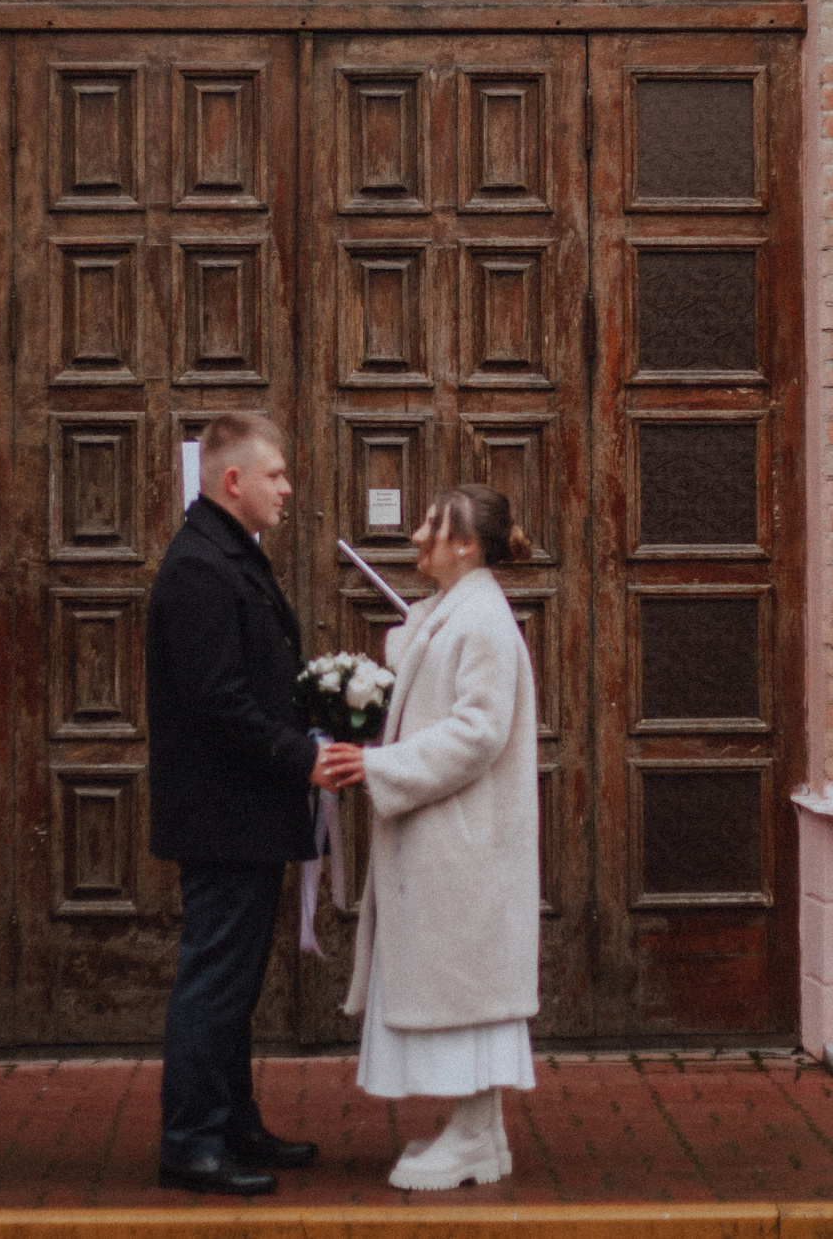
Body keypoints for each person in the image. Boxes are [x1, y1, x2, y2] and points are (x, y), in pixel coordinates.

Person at [145, 411, 362, 1197]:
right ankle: (191, 1141)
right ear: (231, 480)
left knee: (234, 980)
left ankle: (233, 1121)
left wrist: (317, 710)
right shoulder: (202, 567)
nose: (287, 488)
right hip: (223, 813)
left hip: (244, 811)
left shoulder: (230, 554)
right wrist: (301, 755)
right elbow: (217, 701)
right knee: (214, 978)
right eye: (274, 474)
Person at [321, 483, 540, 1191]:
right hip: (449, 846)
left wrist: (378, 763)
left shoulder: (482, 619)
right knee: (458, 984)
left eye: (432, 526)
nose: (416, 535)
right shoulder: (459, 611)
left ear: (466, 544)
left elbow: (478, 734)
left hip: (464, 849)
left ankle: (475, 1132)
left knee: (464, 988)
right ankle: (482, 1131)